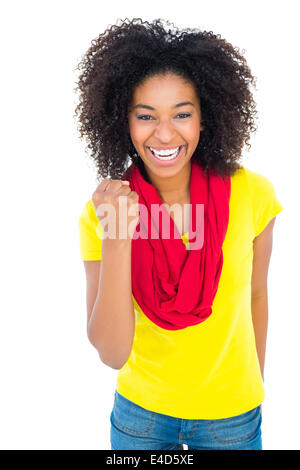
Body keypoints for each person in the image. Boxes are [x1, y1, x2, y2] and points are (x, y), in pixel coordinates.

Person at [75, 18, 283, 450]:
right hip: (141, 417)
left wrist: (250, 385)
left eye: (182, 114)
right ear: (123, 123)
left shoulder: (253, 193)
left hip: (232, 417)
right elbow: (112, 352)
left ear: (206, 117)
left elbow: (258, 295)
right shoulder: (102, 212)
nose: (165, 134)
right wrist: (117, 235)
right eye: (146, 116)